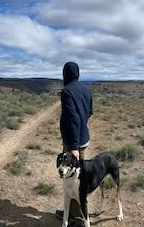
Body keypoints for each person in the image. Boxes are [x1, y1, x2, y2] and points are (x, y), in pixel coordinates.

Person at [59, 61, 93, 224]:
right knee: (78, 176)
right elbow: (90, 112)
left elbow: (72, 119)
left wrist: (73, 147)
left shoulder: (66, 92)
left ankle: (76, 216)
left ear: (65, 74)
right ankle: (78, 211)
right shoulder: (86, 89)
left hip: (74, 143)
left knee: (72, 178)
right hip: (84, 138)